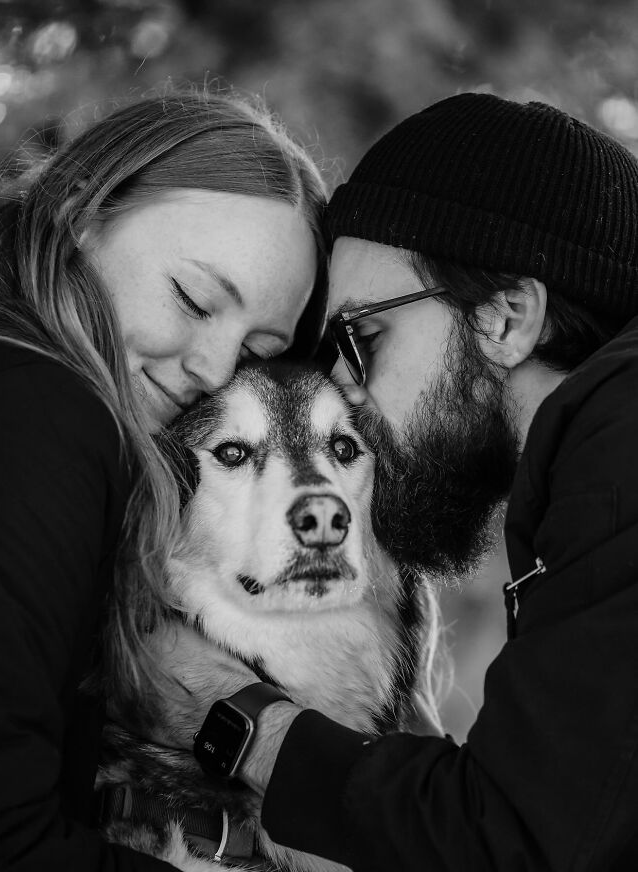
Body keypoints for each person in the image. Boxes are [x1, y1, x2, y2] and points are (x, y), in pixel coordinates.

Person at [168, 93, 638, 871]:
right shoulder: (593, 468)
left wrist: (227, 709)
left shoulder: (622, 444)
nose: (348, 391)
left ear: (506, 318)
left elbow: (511, 845)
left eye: (361, 337)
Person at [0, 88, 328, 870]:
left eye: (257, 352)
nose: (213, 368)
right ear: (84, 210)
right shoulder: (35, 410)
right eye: (193, 298)